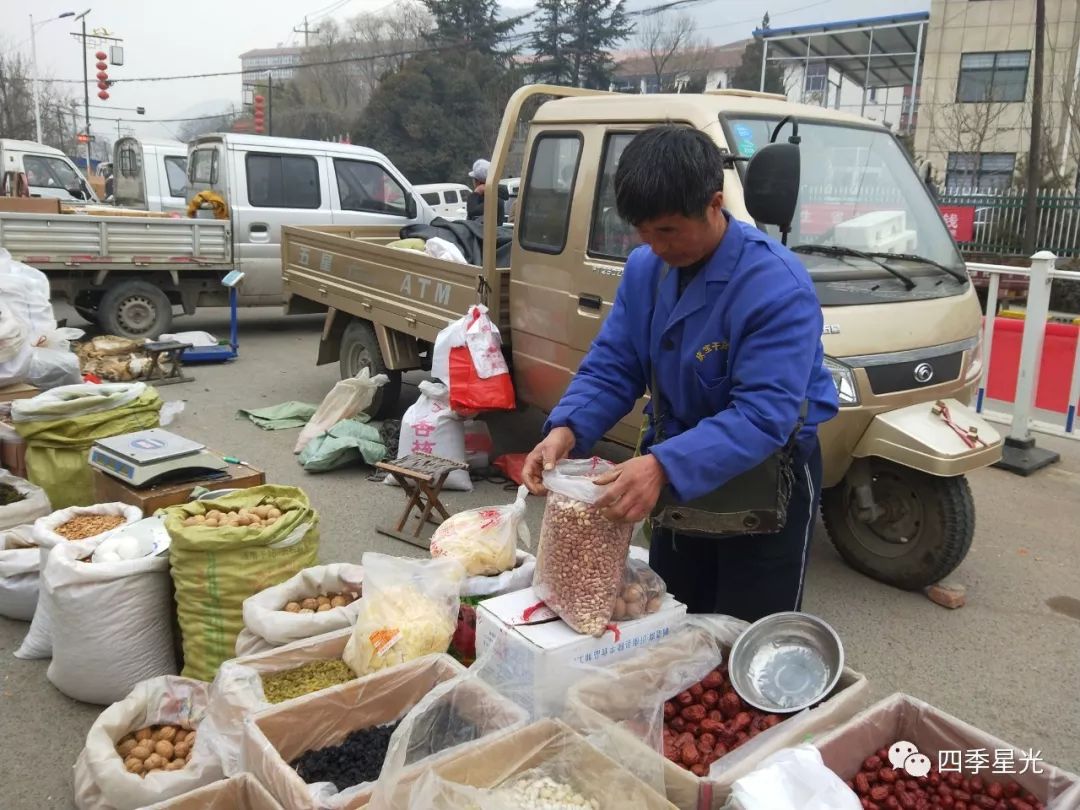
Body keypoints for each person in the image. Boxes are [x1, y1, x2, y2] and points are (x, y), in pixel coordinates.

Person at [521, 126, 839, 623]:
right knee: (670, 612)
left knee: (747, 626)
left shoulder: (777, 286)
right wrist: (568, 428)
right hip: (673, 460)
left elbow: (762, 416)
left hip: (763, 474)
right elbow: (615, 363)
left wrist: (663, 466)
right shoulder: (646, 268)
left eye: (667, 231)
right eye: (643, 232)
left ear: (714, 204)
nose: (655, 246)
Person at [465, 158, 508, 225]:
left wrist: (476, 192)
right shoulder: (494, 195)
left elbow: (472, 212)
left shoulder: (493, 199)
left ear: (477, 181)